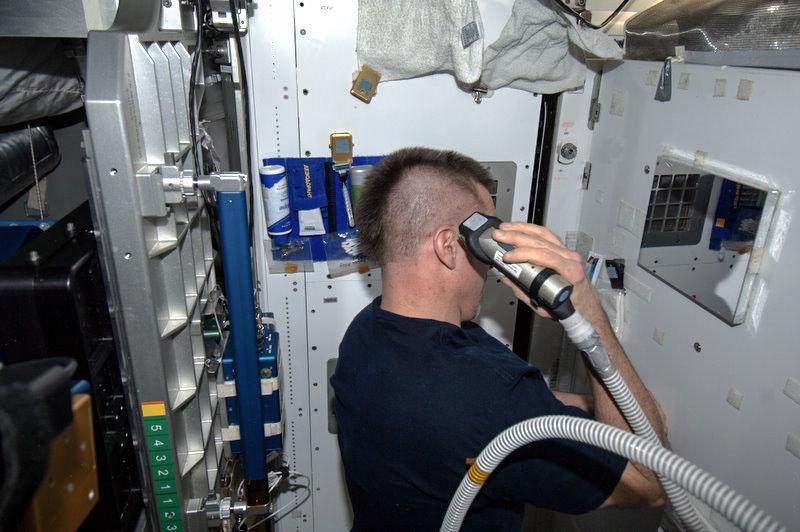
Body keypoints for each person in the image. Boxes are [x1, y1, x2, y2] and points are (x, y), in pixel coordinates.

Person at [330, 147, 667, 531]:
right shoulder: (488, 398)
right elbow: (652, 481)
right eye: (488, 237)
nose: (494, 260)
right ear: (448, 245)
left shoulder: (365, 333)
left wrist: (597, 408)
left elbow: (516, 408)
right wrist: (585, 308)